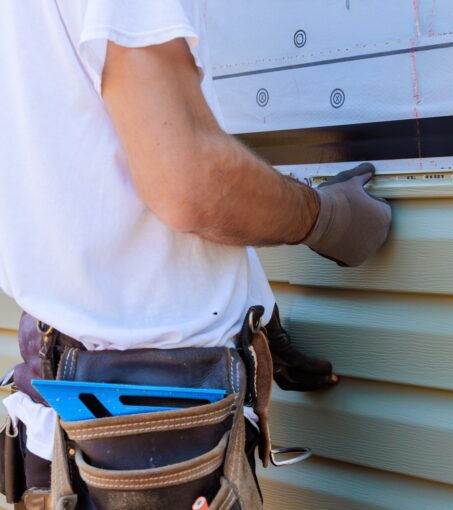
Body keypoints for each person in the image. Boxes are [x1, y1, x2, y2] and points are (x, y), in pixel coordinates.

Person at [0, 1, 391, 508]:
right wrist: (326, 217)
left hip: (58, 409)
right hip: (156, 447)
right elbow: (189, 182)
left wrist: (249, 302)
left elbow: (80, 178)